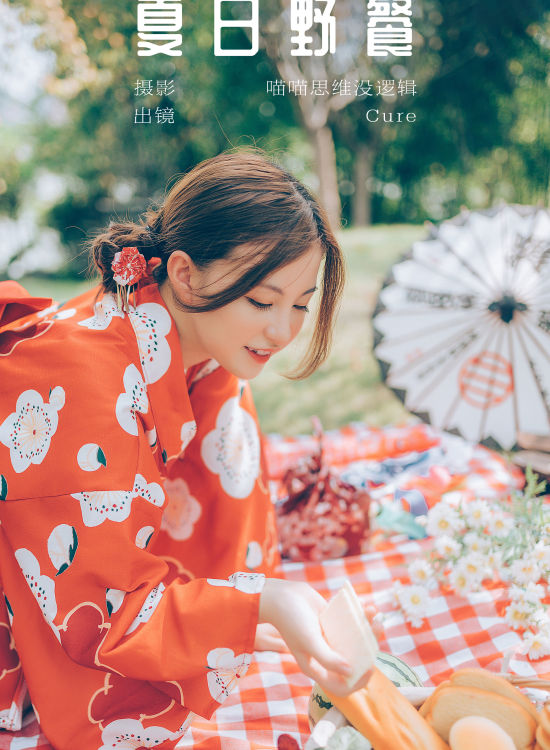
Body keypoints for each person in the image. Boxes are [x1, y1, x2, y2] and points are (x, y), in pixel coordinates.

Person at [0, 150, 366, 750]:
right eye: (261, 300)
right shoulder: (78, 378)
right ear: (187, 273)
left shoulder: (211, 356)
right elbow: (98, 616)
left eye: (301, 305)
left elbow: (231, 538)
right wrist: (262, 603)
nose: (282, 331)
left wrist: (252, 603)